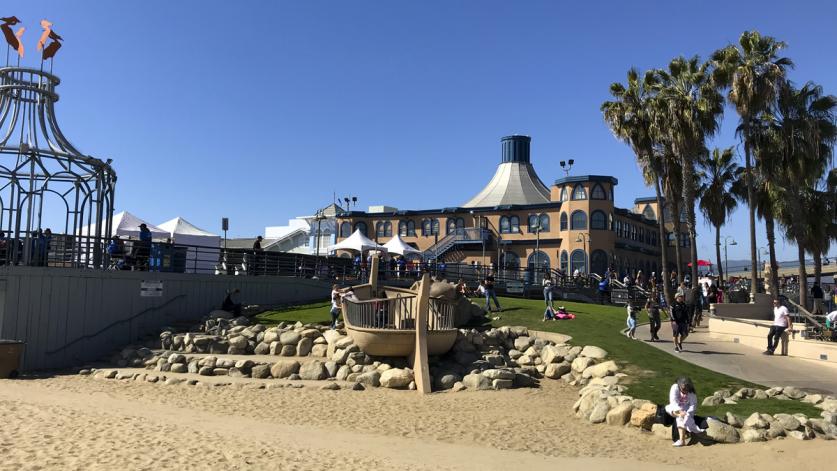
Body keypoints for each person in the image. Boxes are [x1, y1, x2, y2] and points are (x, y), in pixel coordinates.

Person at [665, 377, 703, 447]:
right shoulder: (675, 387)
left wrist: (687, 413)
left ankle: (682, 440)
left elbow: (693, 405)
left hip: (686, 410)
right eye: (683, 389)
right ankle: (682, 440)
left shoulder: (692, 393)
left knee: (681, 417)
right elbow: (673, 401)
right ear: (679, 385)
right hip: (675, 408)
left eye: (687, 389)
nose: (685, 390)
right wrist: (679, 410)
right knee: (668, 408)